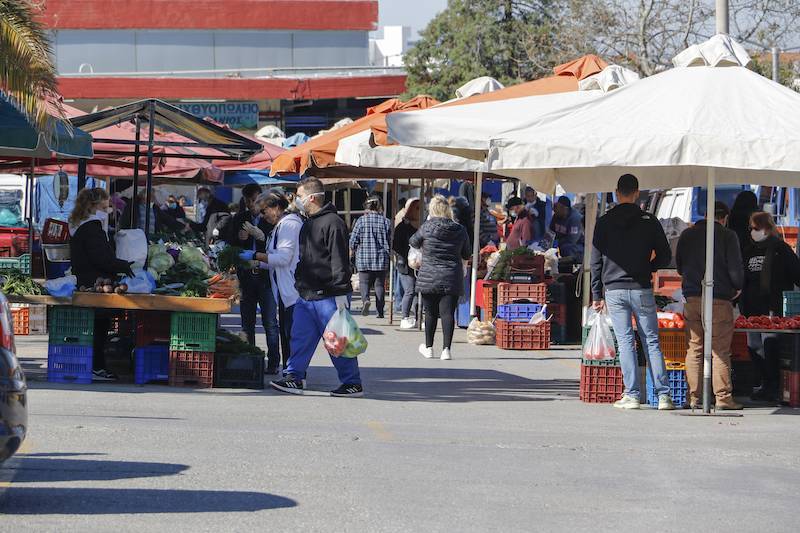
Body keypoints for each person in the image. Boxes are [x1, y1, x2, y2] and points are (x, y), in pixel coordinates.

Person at [270, 177, 363, 397]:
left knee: (337, 341)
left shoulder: (333, 222)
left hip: (329, 295)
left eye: (300, 196)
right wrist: (299, 283)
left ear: (312, 197)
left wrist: (341, 292)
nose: (297, 200)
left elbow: (339, 258)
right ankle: (294, 376)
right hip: (307, 293)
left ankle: (352, 383)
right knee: (299, 338)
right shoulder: (308, 222)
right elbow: (305, 257)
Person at [591, 174, 674, 410]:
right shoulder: (649, 221)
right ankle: (664, 396)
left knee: (626, 341)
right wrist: (648, 267)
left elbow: (595, 260)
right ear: (637, 193)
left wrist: (597, 294)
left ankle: (632, 394)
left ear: (617, 193)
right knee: (651, 341)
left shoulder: (604, 222)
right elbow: (666, 255)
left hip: (614, 290)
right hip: (641, 288)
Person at [676, 201, 744, 410]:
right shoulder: (727, 235)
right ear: (724, 218)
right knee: (719, 350)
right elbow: (735, 268)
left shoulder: (687, 235)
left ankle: (694, 398)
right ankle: (723, 398)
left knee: (694, 348)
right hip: (719, 298)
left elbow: (679, 265)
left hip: (693, 297)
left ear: (705, 215)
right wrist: (738, 286)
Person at [68, 188, 135, 382]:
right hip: (93, 282)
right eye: (105, 206)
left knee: (96, 326)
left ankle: (95, 365)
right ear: (94, 206)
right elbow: (100, 257)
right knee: (99, 325)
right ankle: (97, 366)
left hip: (87, 280)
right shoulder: (91, 227)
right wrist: (122, 265)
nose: (108, 210)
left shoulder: (80, 224)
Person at [740, 211, 800, 402]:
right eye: (750, 228)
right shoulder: (748, 250)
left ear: (766, 228)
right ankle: (764, 384)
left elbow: (796, 274)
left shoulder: (780, 248)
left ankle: (774, 386)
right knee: (754, 347)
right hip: (751, 310)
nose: (752, 232)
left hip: (773, 308)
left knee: (771, 347)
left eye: (755, 228)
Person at [248, 190, 303, 373]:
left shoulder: (289, 225)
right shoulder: (281, 225)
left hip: (292, 291)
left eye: (264, 211)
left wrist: (257, 255)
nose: (263, 216)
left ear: (276, 207)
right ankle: (291, 374)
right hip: (284, 290)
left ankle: (294, 375)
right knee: (286, 335)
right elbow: (275, 261)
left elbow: (282, 259)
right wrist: (257, 263)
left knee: (291, 337)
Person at [410, 195, 470, 361]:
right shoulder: (460, 229)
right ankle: (446, 350)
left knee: (430, 313)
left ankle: (429, 348)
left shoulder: (427, 227)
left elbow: (413, 242)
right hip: (451, 275)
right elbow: (466, 253)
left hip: (429, 275)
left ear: (432, 209)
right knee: (448, 313)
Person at [230, 184, 280, 373]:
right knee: (247, 323)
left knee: (270, 323)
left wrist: (258, 236)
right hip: (246, 277)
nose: (252, 205)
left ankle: (274, 362)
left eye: (256, 200)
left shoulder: (271, 220)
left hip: (265, 277)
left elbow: (272, 246)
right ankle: (250, 360)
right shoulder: (239, 218)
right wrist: (240, 238)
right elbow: (232, 245)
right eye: (249, 201)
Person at [349, 195, 392, 318]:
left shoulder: (361, 221)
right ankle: (380, 311)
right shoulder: (386, 221)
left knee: (364, 283)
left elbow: (353, 241)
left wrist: (351, 254)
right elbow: (390, 241)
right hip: (381, 259)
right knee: (379, 285)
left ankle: (366, 300)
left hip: (363, 258)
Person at [393, 198, 421, 329]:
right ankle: (404, 317)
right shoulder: (403, 227)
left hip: (419, 264)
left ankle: (417, 316)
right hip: (404, 263)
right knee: (410, 290)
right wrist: (408, 254)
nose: (420, 211)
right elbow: (395, 245)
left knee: (417, 291)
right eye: (417, 208)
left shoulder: (423, 227)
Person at [121, 189, 186, 234]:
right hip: (136, 238)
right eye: (152, 196)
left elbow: (168, 219)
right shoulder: (133, 207)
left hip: (150, 238)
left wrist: (182, 226)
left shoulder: (155, 208)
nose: (154, 198)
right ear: (144, 196)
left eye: (153, 196)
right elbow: (124, 221)